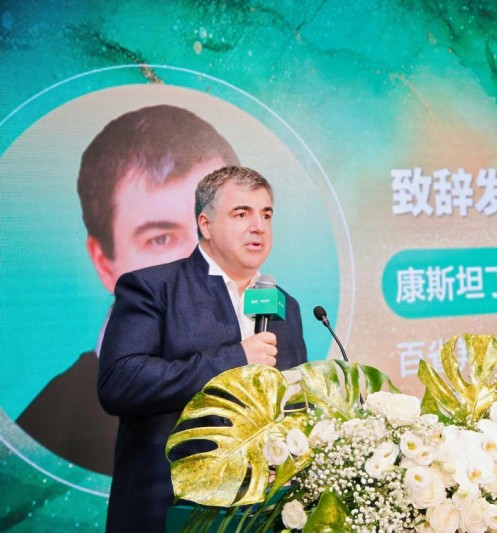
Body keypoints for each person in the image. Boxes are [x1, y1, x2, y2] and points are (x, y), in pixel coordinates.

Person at [16, 105, 240, 474]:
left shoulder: (266, 361)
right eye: (160, 238)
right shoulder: (44, 438)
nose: (198, 259)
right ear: (105, 263)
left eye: (210, 229)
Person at [98, 166, 307, 532]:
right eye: (241, 214)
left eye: (266, 214)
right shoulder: (153, 288)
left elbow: (294, 406)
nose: (258, 226)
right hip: (167, 509)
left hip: (261, 513)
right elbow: (120, 382)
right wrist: (236, 359)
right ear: (206, 225)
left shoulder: (285, 305)